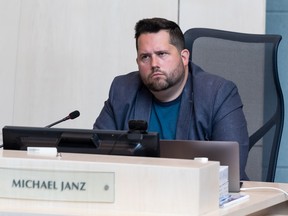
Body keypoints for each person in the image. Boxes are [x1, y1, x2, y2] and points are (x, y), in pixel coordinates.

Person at [94, 17, 249, 180]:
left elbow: (230, 169)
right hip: (137, 192)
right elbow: (95, 155)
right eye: (145, 57)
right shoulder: (122, 90)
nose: (154, 64)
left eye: (162, 54)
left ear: (184, 57)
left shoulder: (218, 93)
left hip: (201, 195)